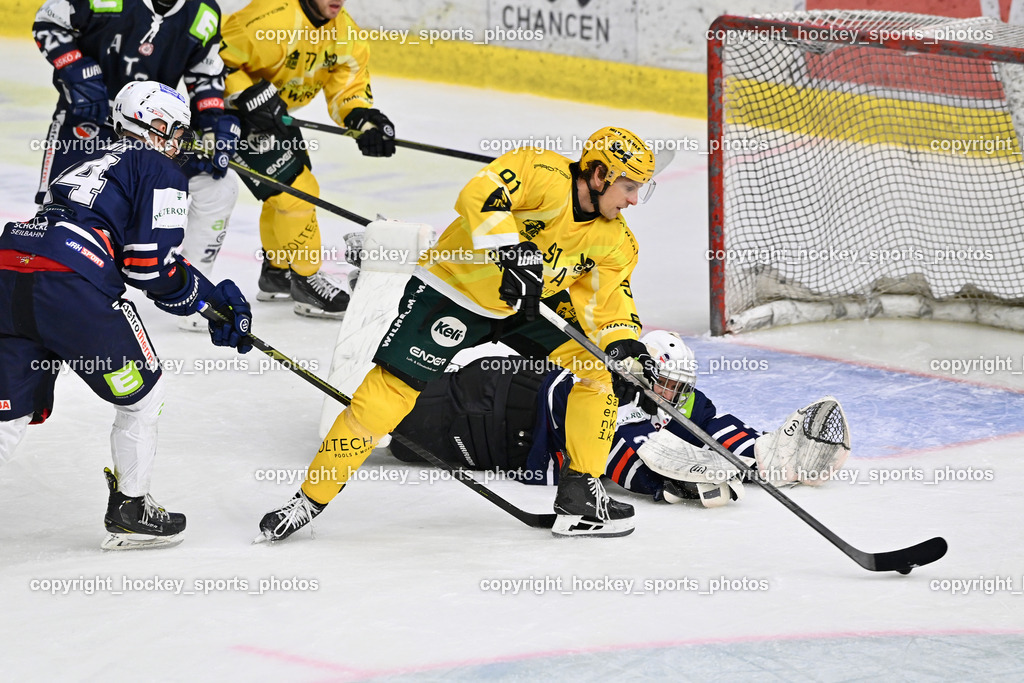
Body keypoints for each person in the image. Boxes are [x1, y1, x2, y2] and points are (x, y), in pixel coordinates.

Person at [257, 125, 661, 542]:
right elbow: (478, 193)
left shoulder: (617, 241)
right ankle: (309, 499)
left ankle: (581, 496)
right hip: (453, 290)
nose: (632, 200)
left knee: (602, 370)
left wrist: (624, 345)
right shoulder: (542, 171)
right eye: (628, 187)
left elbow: (607, 303)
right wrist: (509, 249)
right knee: (387, 397)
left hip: (528, 304)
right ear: (598, 175)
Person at [0, 81, 253, 550]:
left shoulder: (87, 156)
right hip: (71, 281)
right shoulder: (158, 167)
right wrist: (208, 300)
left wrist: (201, 295)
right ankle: (131, 509)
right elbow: (148, 267)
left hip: (9, 265)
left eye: (181, 131)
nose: (177, 140)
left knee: (5, 416)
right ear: (150, 126)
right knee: (143, 396)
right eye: (171, 128)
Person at [388, 331, 851, 506]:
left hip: (508, 415)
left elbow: (709, 423)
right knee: (403, 434)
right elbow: (607, 452)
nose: (677, 394)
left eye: (680, 384)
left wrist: (761, 453)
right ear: (645, 375)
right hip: (493, 411)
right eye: (669, 384)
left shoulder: (676, 394)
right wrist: (664, 486)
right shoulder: (603, 390)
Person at [32, 0, 240, 333]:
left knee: (219, 183)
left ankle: (200, 294)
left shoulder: (203, 12)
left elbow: (207, 76)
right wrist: (75, 70)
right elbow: (48, 20)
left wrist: (213, 124)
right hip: (89, 119)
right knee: (57, 209)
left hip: (155, 133)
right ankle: (48, 287)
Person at [219, 0, 396, 318]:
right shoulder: (267, 21)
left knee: (283, 196)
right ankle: (306, 279)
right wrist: (245, 93)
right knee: (297, 193)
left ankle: (278, 273)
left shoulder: (344, 32)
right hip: (224, 114)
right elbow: (213, 58)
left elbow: (348, 84)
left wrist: (361, 118)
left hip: (272, 117)